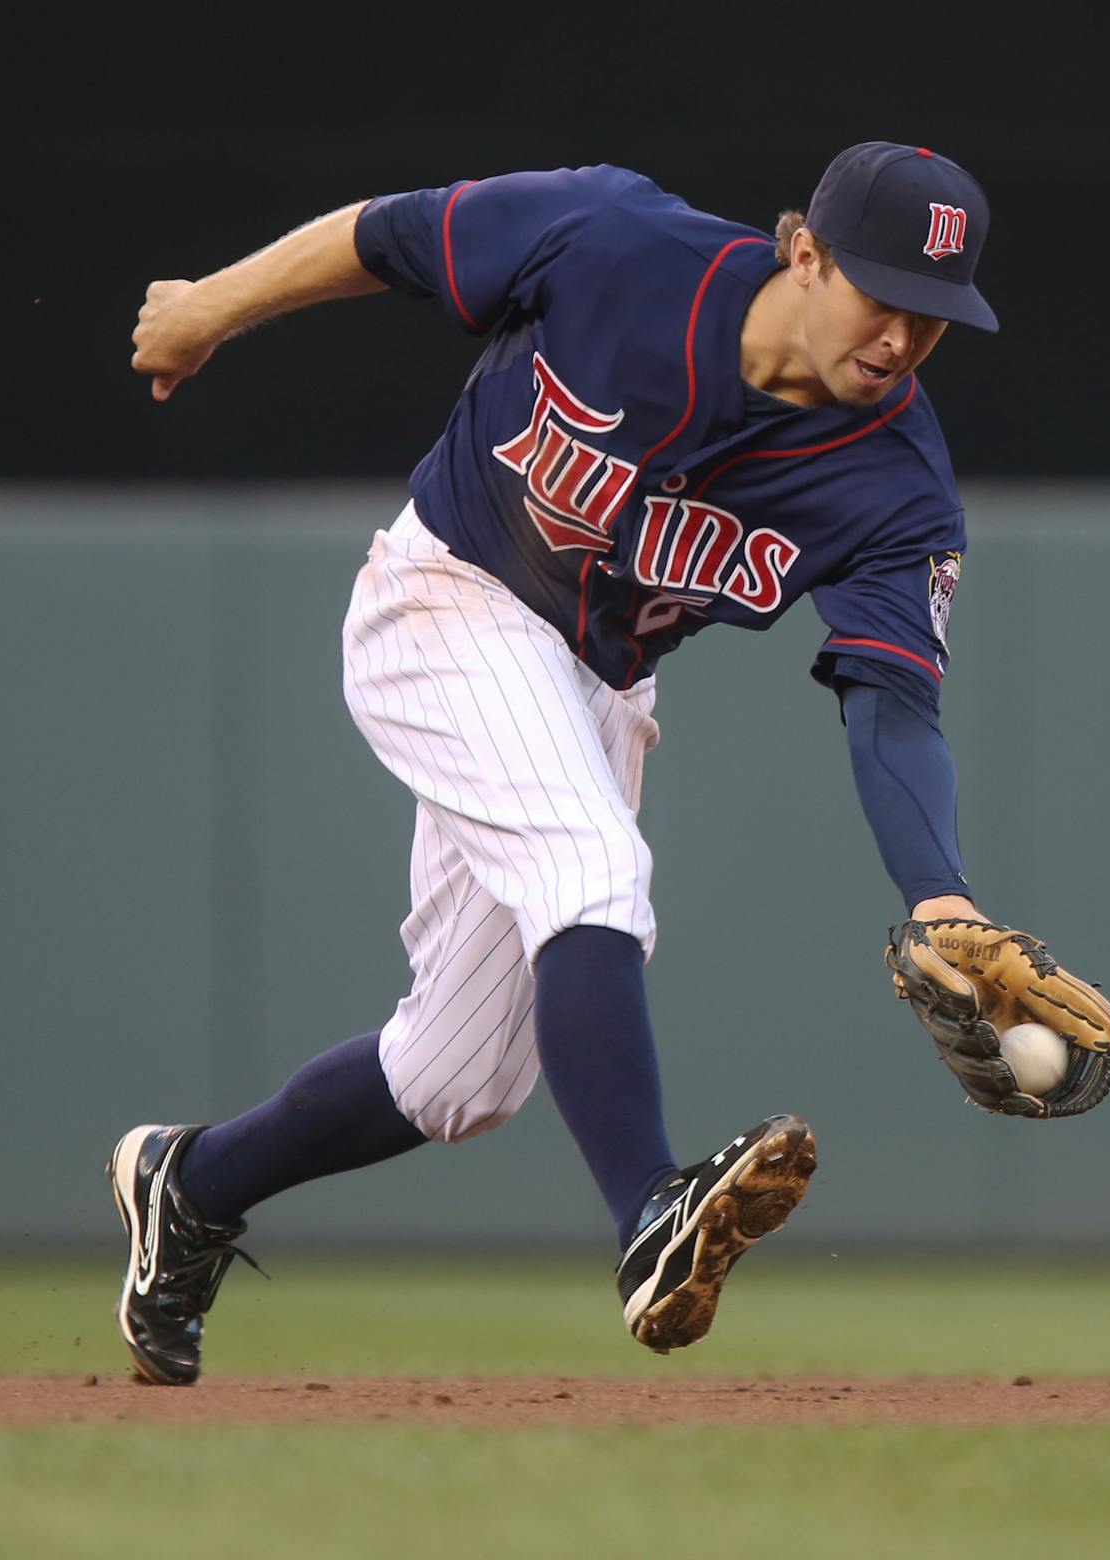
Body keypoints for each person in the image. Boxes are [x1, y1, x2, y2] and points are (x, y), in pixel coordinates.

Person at [111, 144, 1007, 1385]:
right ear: (805, 252)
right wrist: (210, 305)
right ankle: (650, 1214)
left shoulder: (898, 485)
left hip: (596, 684)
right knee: (591, 864)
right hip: (449, 597)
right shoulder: (618, 243)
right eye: (883, 295)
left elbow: (893, 707)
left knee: (456, 1077)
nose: (905, 337)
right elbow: (391, 233)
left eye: (936, 318)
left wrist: (939, 891)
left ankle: (189, 1184)